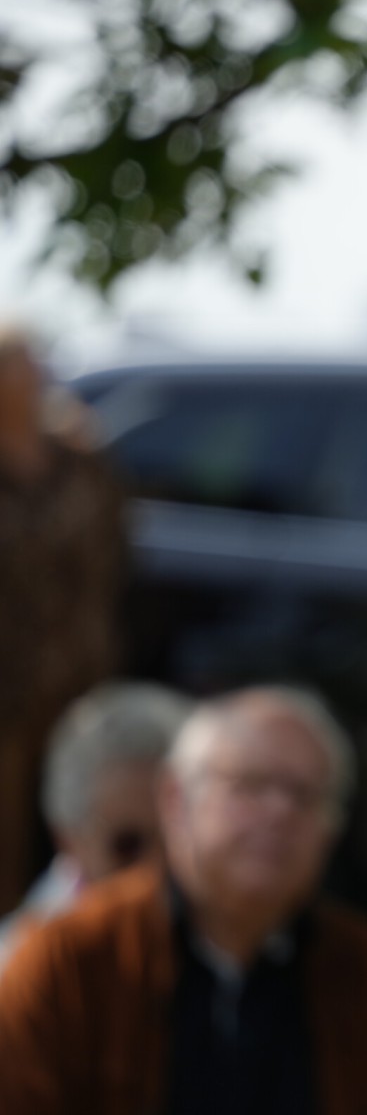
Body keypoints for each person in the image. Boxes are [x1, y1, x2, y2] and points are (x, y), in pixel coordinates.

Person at [0, 686, 367, 1115]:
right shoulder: (69, 962)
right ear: (175, 798)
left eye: (306, 795)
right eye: (251, 785)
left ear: (332, 830)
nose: (279, 812)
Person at [0, 325, 128, 909]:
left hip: (78, 681)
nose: (34, 375)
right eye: (18, 365)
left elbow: (118, 548)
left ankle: (73, 946)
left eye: (34, 363)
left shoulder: (78, 457)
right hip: (7, 688)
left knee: (81, 831)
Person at [0, 681, 189, 975]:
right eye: (128, 846)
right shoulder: (20, 974)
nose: (157, 873)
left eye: (181, 839)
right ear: (68, 842)